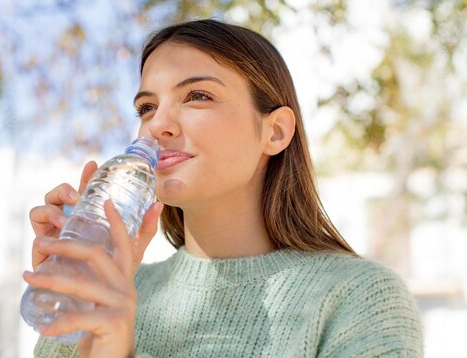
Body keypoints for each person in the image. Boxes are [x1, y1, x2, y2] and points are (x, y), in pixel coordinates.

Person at [23, 19, 424, 358]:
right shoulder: (117, 289)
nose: (157, 125)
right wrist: (76, 304)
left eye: (198, 96)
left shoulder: (359, 296)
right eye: (146, 107)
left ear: (275, 132)